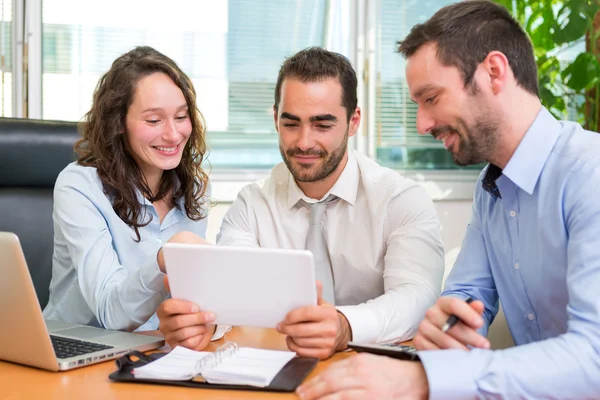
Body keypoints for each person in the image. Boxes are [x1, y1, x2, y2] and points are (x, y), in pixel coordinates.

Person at [296, 1, 600, 399]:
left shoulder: (589, 174)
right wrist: (447, 325)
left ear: (494, 72)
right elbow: (464, 297)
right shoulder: (491, 189)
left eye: (432, 98)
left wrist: (423, 380)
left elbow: (594, 360)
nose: (422, 125)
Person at [157, 47, 445, 358]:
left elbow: (417, 297)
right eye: (291, 124)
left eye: (322, 125)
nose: (304, 142)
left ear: (353, 121)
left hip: (374, 372)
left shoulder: (401, 201)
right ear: (275, 118)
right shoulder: (252, 204)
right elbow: (232, 296)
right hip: (278, 371)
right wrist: (205, 324)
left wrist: (344, 325)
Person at [43, 46, 223, 348]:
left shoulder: (193, 190)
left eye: (181, 117)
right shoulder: (79, 186)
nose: (173, 134)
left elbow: (190, 297)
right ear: (118, 123)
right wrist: (166, 256)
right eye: (154, 121)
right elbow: (110, 315)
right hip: (75, 350)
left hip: (154, 348)